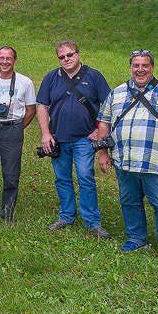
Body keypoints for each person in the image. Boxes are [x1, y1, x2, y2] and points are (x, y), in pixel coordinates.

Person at [95, 50, 158, 265]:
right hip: (124, 160)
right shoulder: (117, 93)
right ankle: (136, 238)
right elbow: (104, 122)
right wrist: (103, 153)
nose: (140, 70)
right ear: (130, 67)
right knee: (129, 201)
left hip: (156, 162)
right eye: (136, 65)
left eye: (145, 65)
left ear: (152, 68)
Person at [35, 40, 112, 238]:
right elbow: (42, 105)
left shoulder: (94, 76)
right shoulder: (51, 78)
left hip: (84, 139)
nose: (66, 59)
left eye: (70, 54)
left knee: (86, 177)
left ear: (78, 54)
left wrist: (98, 131)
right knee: (62, 179)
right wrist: (45, 133)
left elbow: (109, 105)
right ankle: (67, 215)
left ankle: (92, 221)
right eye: (62, 56)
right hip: (58, 139)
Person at [0, 46, 36, 222]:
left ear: (14, 61)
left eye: (8, 58)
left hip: (13, 129)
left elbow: (31, 110)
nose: (5, 62)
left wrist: (16, 127)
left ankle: (7, 212)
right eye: (1, 58)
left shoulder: (25, 82)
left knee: (11, 173)